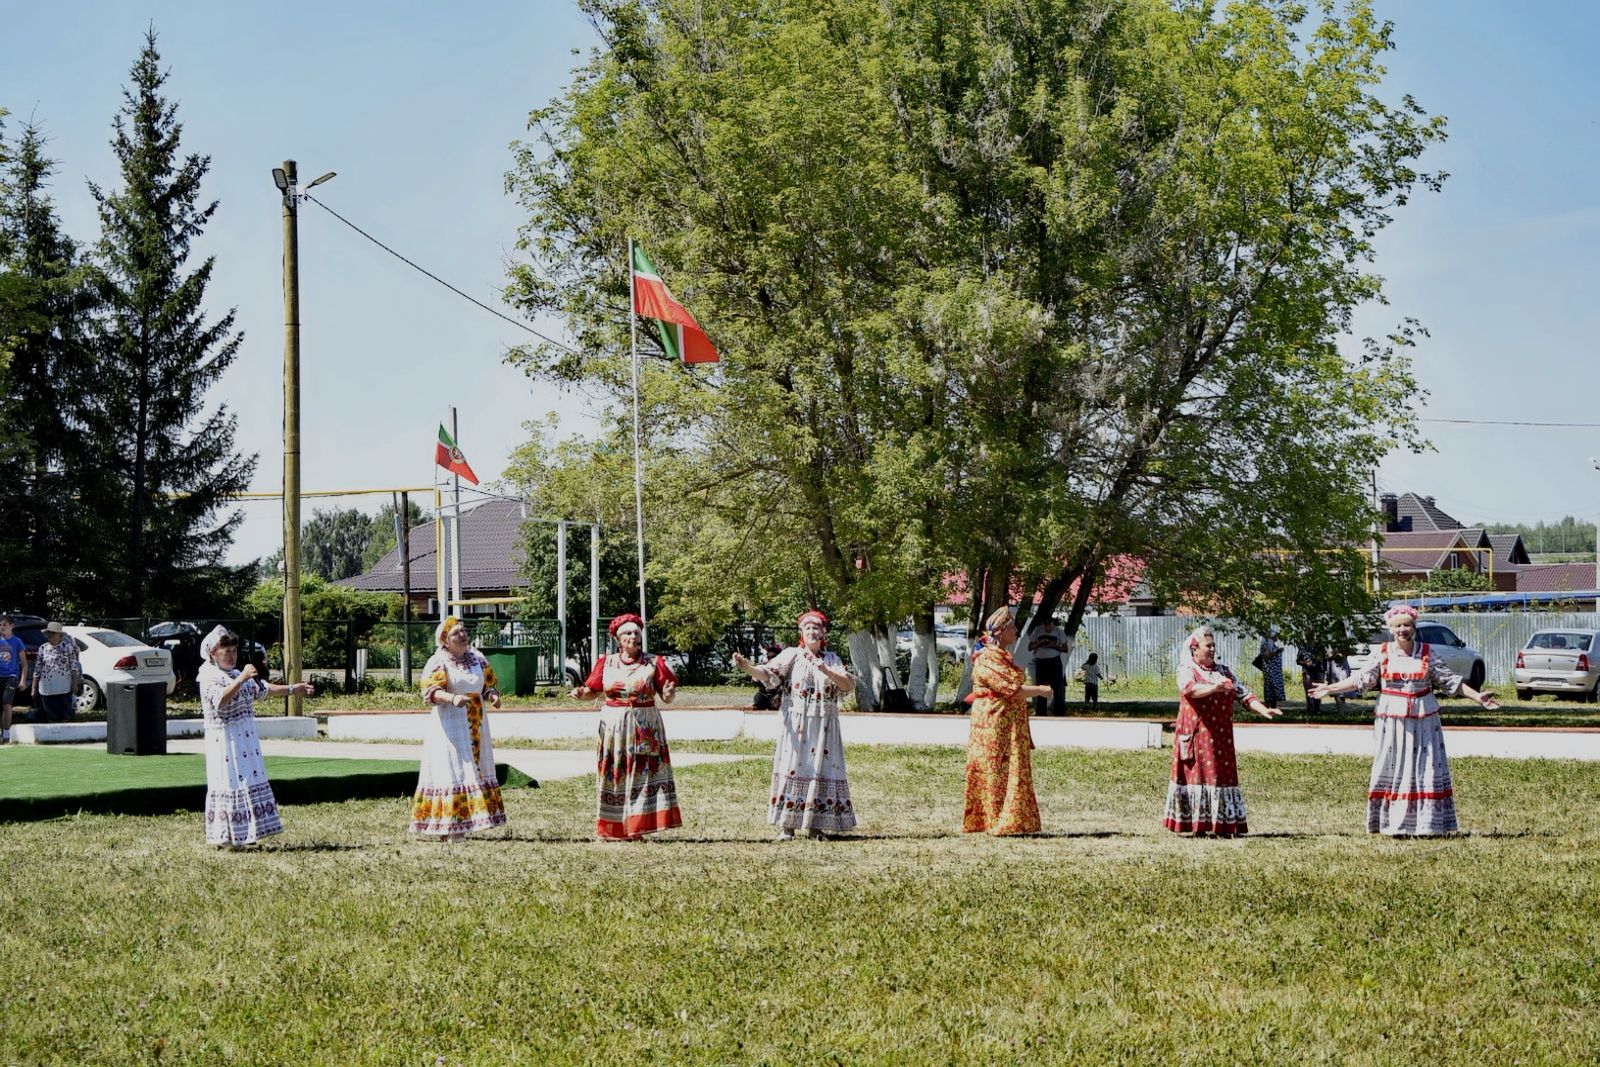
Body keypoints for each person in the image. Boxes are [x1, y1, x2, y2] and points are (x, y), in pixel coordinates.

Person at [1309, 604, 1498, 836]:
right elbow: (1361, 680)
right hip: (1392, 722)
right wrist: (1330, 688)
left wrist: (1477, 696)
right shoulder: (1382, 653)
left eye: (1407, 625)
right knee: (1393, 766)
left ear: (1414, 627)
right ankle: (1391, 823)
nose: (1403, 630)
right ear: (1391, 628)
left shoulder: (1427, 652)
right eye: (1398, 626)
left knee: (1424, 767)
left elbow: (1450, 682)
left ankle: (1427, 825)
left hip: (1424, 720)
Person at [733, 610, 858, 840]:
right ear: (801, 632)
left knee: (821, 769)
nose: (812, 631)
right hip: (797, 723)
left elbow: (847, 685)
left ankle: (816, 825)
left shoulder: (831, 659)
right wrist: (747, 667)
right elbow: (768, 674)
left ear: (823, 633)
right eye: (807, 627)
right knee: (793, 768)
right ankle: (787, 826)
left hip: (824, 726)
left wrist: (825, 669)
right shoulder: (792, 655)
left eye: (816, 628)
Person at [198, 626, 314, 848]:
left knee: (247, 781)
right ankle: (226, 836)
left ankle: (247, 833)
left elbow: (262, 689)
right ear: (213, 653)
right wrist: (241, 678)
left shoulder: (234, 674)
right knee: (230, 781)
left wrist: (293, 689)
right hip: (225, 740)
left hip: (244, 737)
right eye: (226, 651)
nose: (232, 655)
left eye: (234, 650)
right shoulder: (208, 676)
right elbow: (219, 701)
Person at [571, 613, 683, 840]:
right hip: (613, 728)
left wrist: (669, 694)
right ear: (617, 639)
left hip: (644, 726)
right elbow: (592, 690)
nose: (633, 637)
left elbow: (667, 695)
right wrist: (581, 694)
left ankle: (639, 827)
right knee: (615, 772)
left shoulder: (654, 662)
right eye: (628, 633)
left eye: (636, 633)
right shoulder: (607, 662)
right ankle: (616, 827)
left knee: (642, 773)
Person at [1165, 625, 1282, 836]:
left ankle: (1222, 825)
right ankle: (1197, 826)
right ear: (1194, 650)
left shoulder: (1224, 671)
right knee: (1198, 777)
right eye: (1207, 646)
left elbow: (1244, 694)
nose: (1211, 649)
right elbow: (1190, 689)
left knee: (1221, 777)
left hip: (1221, 739)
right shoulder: (1186, 670)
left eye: (1213, 646)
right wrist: (1214, 688)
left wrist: (1264, 710)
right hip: (1196, 737)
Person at [412, 617, 509, 841]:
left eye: (463, 631)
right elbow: (430, 692)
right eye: (456, 633)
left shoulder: (477, 658)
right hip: (450, 724)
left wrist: (492, 696)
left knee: (474, 770)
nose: (462, 635)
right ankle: (448, 827)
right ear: (445, 641)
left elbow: (487, 684)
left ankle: (467, 823)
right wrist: (452, 697)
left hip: (477, 723)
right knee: (453, 770)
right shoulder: (438, 660)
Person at [963, 606, 1055, 836]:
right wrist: (1041, 690)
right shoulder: (987, 659)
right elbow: (1012, 690)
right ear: (1001, 631)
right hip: (994, 725)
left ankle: (1014, 820)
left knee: (1010, 770)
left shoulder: (1002, 656)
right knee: (994, 770)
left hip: (1009, 726)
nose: (1015, 631)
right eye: (1012, 627)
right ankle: (994, 820)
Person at [30, 621, 81, 724]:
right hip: (47, 688)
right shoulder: (42, 648)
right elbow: (37, 669)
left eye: (53, 633)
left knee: (65, 716)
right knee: (51, 716)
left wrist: (75, 684)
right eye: (49, 633)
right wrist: (33, 688)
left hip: (64, 687)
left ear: (60, 635)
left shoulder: (68, 648)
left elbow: (74, 667)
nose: (50, 635)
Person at [1026, 614, 1067, 717]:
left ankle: (1059, 713)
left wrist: (1053, 646)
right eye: (1046, 625)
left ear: (1052, 623)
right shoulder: (1038, 631)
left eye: (1049, 625)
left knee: (1058, 688)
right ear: (1043, 624)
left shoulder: (1058, 632)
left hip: (1054, 662)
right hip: (1041, 662)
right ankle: (1041, 713)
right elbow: (1030, 647)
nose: (1047, 627)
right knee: (1041, 688)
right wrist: (1040, 643)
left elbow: (1065, 649)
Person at [0, 615, 27, 743]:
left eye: (4, 625)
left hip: (11, 676)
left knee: (7, 704)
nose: (2, 627)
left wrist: (22, 680)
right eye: (0, 625)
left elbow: (24, 664)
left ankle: (6, 733)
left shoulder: (17, 642)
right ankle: (2, 731)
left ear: (12, 626)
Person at [1256, 626, 1286, 709]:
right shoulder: (1265, 643)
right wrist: (1277, 650)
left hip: (1277, 669)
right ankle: (1267, 707)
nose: (1277, 636)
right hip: (1269, 669)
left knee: (1275, 688)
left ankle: (1274, 707)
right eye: (1276, 635)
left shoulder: (1275, 643)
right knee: (1269, 687)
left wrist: (1278, 648)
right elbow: (1267, 655)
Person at [1297, 636, 1325, 715]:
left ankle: (1317, 709)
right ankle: (1310, 710)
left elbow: (1324, 657)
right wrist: (1305, 663)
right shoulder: (1303, 647)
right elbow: (1298, 661)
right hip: (1307, 671)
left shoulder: (1319, 646)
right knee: (1309, 691)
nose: (1309, 634)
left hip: (1319, 670)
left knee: (1318, 689)